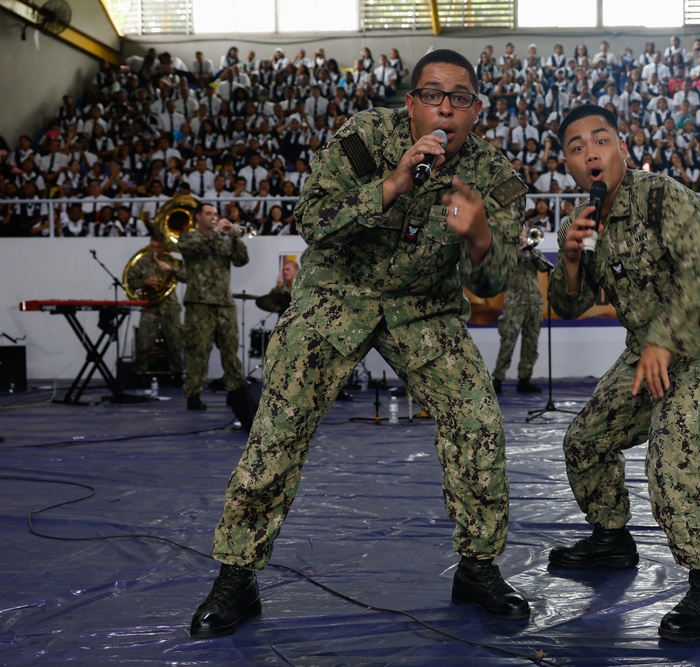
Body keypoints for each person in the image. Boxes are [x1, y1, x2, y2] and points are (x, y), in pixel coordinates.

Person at [189, 49, 530, 640]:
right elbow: (313, 220)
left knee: (476, 418)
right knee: (279, 426)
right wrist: (394, 182)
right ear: (412, 103)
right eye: (433, 95)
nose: (446, 107)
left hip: (421, 306)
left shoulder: (493, 176)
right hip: (336, 295)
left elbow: (493, 282)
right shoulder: (365, 138)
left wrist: (478, 236)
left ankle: (477, 566)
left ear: (477, 110)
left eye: (461, 98)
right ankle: (236, 574)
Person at [545, 105, 700, 643]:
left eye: (600, 140)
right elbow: (568, 305)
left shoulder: (662, 197)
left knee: (671, 445)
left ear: (621, 149)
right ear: (568, 162)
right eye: (577, 146)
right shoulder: (581, 223)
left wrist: (661, 338)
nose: (591, 153)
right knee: (585, 440)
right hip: (647, 350)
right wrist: (568, 259)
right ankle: (610, 538)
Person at [177, 202, 249, 410]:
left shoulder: (224, 240)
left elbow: (241, 260)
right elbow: (193, 247)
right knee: (198, 351)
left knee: (230, 349)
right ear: (198, 217)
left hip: (224, 303)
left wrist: (235, 237)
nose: (214, 217)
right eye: (208, 214)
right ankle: (194, 394)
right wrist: (216, 231)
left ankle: (235, 392)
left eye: (215, 214)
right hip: (199, 303)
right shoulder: (188, 237)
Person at [491, 223, 552, 394]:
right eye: (520, 232)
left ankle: (525, 379)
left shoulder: (533, 252)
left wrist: (530, 248)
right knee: (508, 341)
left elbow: (545, 266)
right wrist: (519, 249)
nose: (523, 234)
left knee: (531, 343)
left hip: (534, 302)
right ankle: (498, 378)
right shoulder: (508, 251)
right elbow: (503, 265)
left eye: (524, 231)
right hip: (515, 303)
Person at [128, 235, 185, 378]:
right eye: (152, 246)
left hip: (170, 306)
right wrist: (144, 282)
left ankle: (177, 374)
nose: (154, 250)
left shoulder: (173, 261)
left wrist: (171, 269)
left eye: (158, 247)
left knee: (175, 341)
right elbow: (129, 281)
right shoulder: (143, 261)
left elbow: (187, 277)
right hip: (150, 306)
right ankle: (139, 373)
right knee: (143, 341)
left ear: (164, 247)